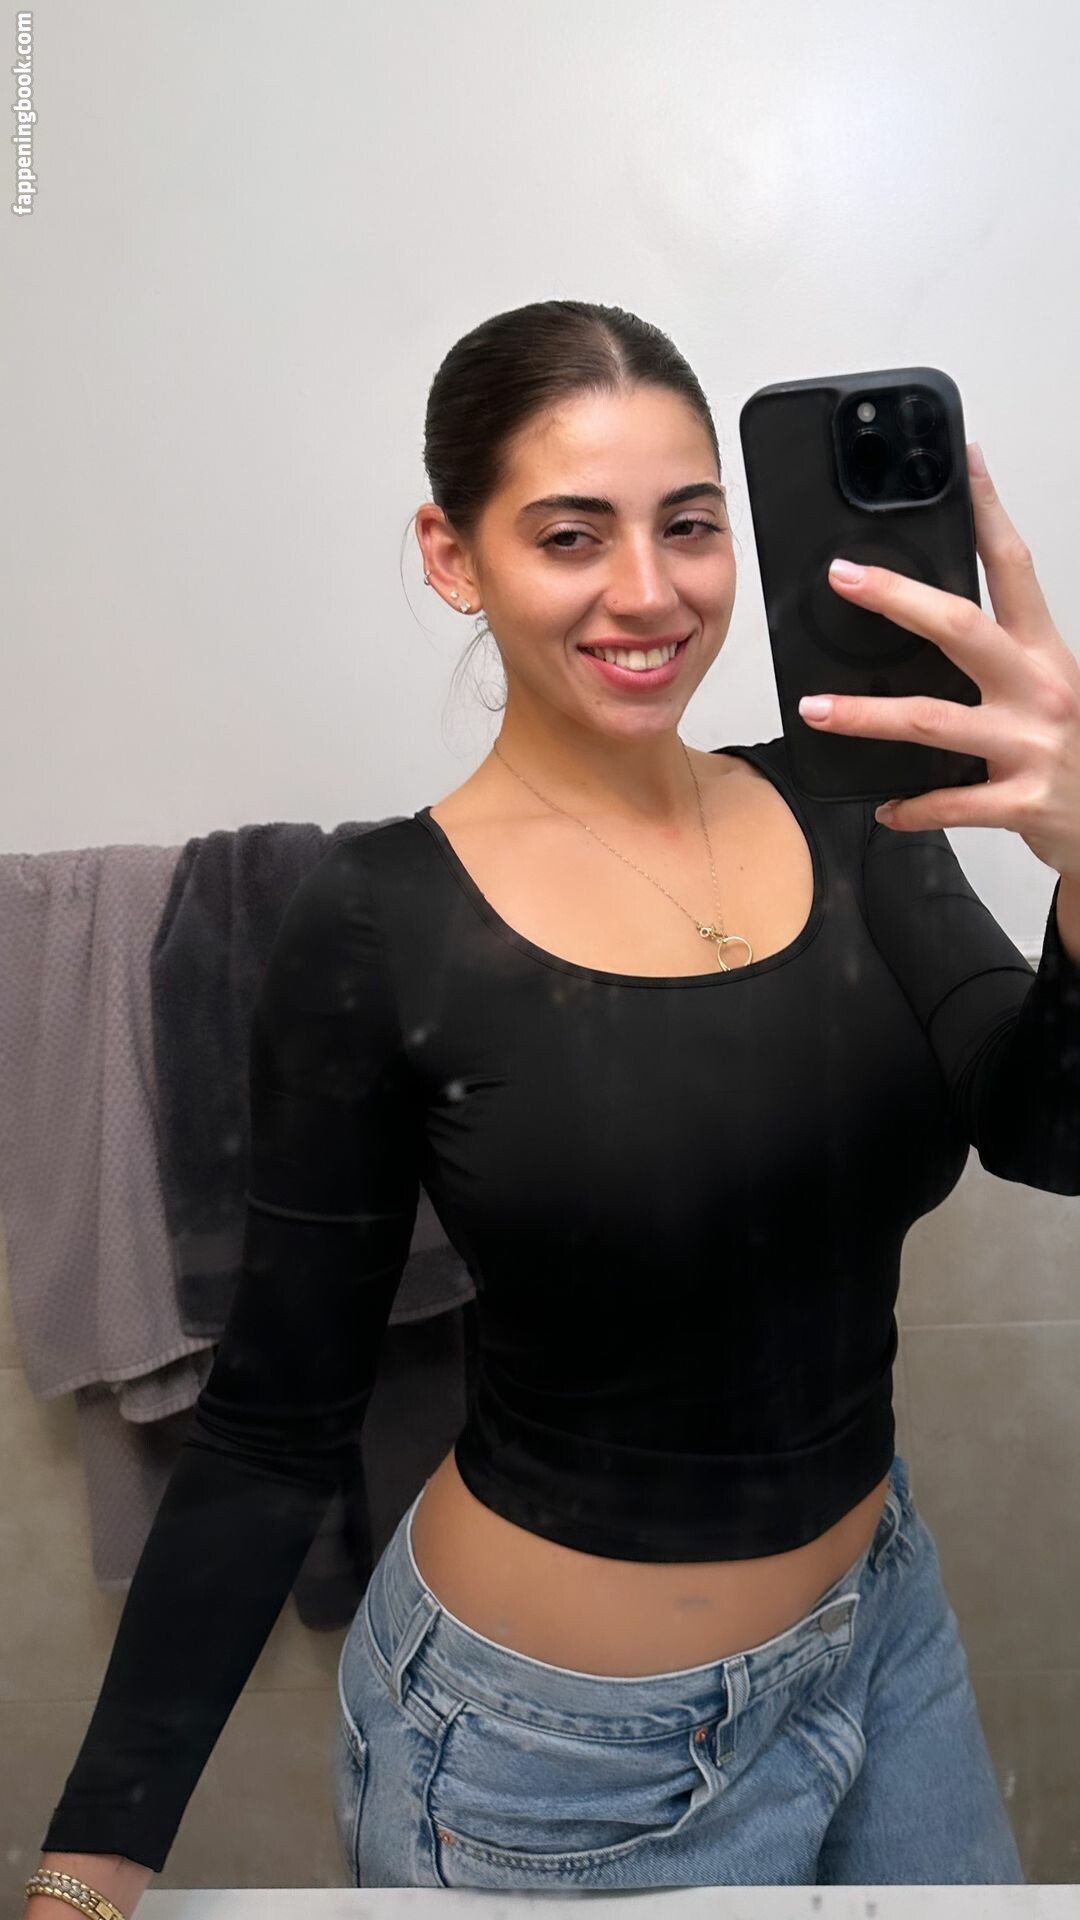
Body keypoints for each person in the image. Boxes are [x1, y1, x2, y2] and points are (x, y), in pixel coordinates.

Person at [28, 299, 1080, 1910]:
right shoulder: (379, 921)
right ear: (453, 557)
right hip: (551, 1759)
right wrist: (92, 1866)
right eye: (571, 535)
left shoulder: (853, 810)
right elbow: (272, 1420)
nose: (648, 592)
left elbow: (1048, 1128)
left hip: (879, 1635)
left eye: (690, 526)